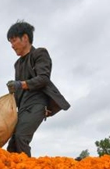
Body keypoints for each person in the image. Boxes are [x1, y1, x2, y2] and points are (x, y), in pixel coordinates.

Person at [5, 21, 70, 157]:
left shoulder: (39, 54)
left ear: (25, 38)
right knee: (12, 144)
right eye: (10, 42)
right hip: (22, 107)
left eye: (14, 40)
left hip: (37, 104)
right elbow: (19, 90)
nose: (12, 46)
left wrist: (20, 84)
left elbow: (43, 78)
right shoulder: (17, 64)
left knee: (22, 137)